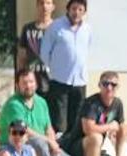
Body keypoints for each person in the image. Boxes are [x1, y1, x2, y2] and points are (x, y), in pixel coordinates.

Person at [0, 69, 75, 156]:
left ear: (36, 83)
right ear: (17, 85)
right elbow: (25, 131)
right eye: (24, 83)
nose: (28, 86)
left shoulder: (41, 102)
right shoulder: (13, 105)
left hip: (43, 144)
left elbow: (48, 127)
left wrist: (53, 145)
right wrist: (48, 141)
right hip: (16, 145)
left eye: (31, 82)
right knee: (39, 143)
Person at [40, 0, 91, 134]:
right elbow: (45, 53)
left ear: (84, 12)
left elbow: (87, 50)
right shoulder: (56, 27)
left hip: (79, 82)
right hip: (59, 81)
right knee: (59, 123)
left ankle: (73, 152)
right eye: (74, 9)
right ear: (68, 9)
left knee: (76, 123)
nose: (77, 12)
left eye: (80, 9)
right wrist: (52, 72)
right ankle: (59, 152)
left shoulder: (87, 29)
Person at [17, 0, 54, 99]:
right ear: (37, 6)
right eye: (41, 3)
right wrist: (20, 79)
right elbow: (21, 57)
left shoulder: (58, 29)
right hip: (32, 81)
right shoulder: (28, 29)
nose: (44, 6)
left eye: (48, 3)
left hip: (53, 82)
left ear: (52, 6)